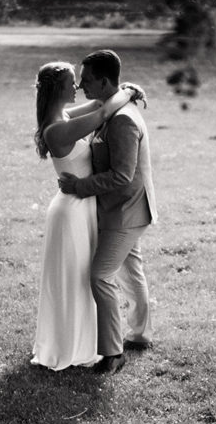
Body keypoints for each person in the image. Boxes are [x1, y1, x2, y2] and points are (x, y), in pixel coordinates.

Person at [32, 61, 143, 371]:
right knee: (74, 279)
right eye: (72, 82)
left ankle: (88, 340)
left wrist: (124, 88)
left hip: (82, 207)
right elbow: (103, 113)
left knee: (83, 278)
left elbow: (97, 104)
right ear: (58, 89)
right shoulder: (58, 128)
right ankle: (70, 345)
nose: (77, 87)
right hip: (72, 211)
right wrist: (129, 92)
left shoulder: (63, 117)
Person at [59, 50, 158, 376]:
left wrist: (79, 186)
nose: (81, 85)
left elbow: (122, 176)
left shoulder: (123, 120)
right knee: (131, 271)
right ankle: (140, 335)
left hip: (126, 212)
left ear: (104, 81)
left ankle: (113, 353)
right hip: (122, 209)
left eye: (86, 80)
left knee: (100, 276)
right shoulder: (109, 109)